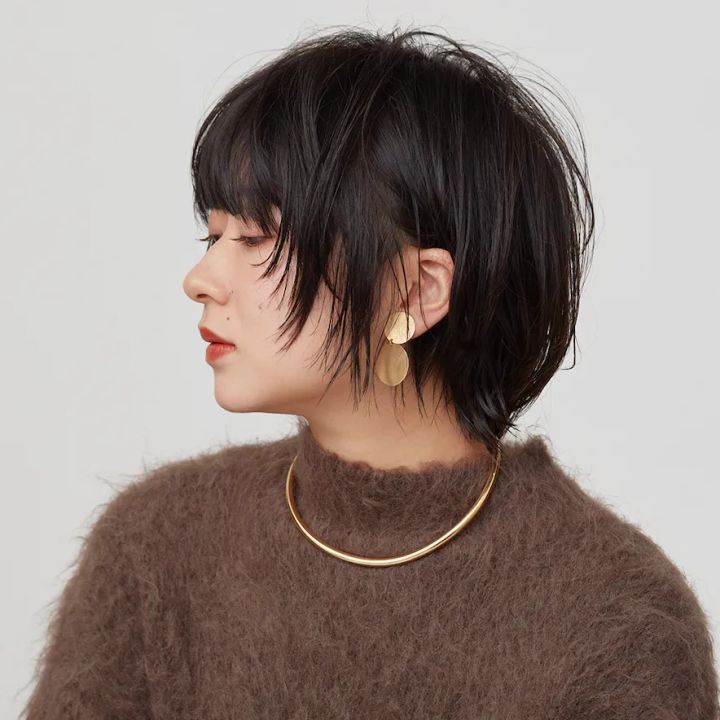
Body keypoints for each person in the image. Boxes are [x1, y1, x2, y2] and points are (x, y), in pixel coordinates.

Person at [20, 25, 719, 719]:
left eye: (256, 237)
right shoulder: (155, 547)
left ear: (416, 292)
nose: (200, 278)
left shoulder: (620, 618)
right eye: (213, 235)